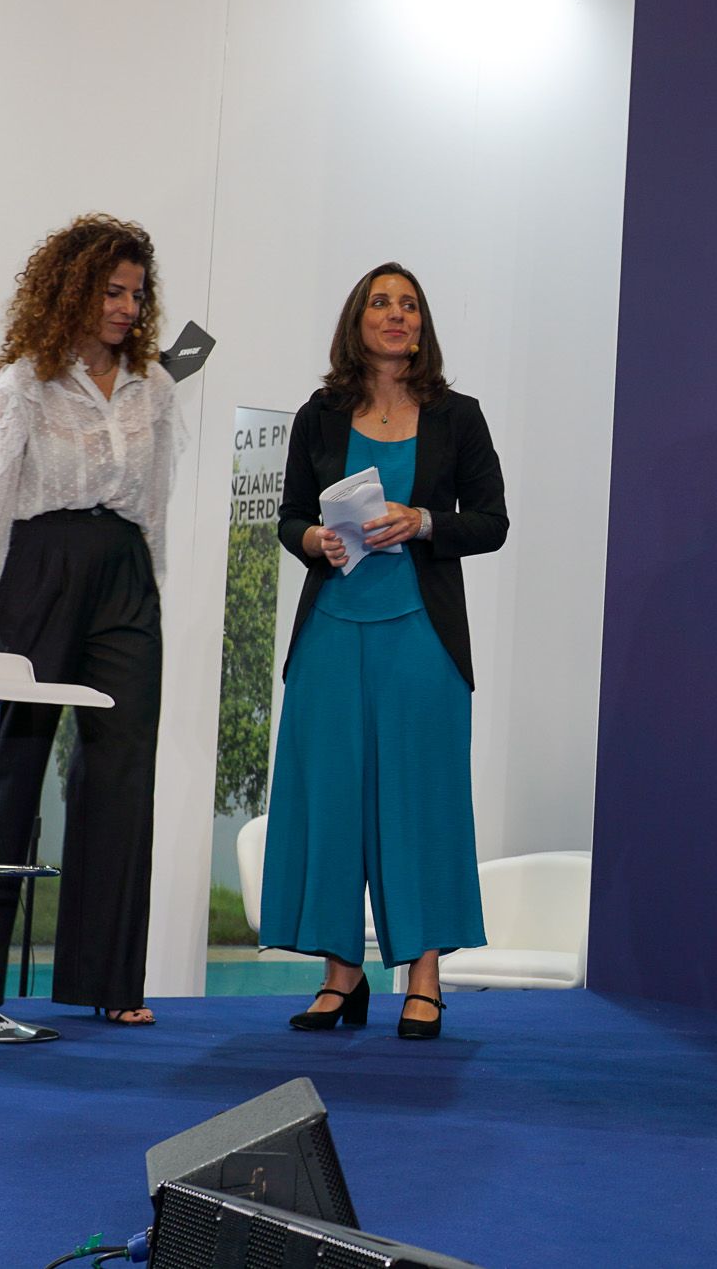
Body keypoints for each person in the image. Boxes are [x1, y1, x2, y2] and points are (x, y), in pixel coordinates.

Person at [0, 213, 180, 1026]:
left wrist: (148, 591)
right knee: (5, 766)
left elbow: (155, 504)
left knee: (123, 770)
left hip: (125, 576)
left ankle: (109, 983)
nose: (127, 308)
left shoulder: (154, 387)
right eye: (112, 291)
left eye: (136, 294)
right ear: (72, 291)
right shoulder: (26, 382)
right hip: (39, 568)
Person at [261, 261, 508, 1039]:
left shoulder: (459, 416)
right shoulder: (319, 415)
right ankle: (341, 975)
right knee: (332, 801)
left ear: (422, 323)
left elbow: (493, 521)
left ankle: (424, 978)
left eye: (408, 304)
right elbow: (288, 515)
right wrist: (313, 538)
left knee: (420, 802)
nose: (396, 314)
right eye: (381, 302)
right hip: (331, 634)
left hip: (421, 636)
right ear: (357, 320)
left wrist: (424, 520)